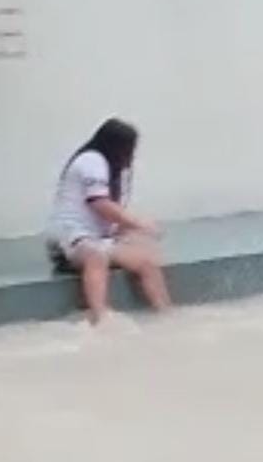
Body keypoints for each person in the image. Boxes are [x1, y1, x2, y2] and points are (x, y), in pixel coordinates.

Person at [47, 118, 171, 324]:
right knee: (96, 257)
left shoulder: (113, 170)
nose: (131, 155)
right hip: (71, 238)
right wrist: (139, 223)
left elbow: (113, 216)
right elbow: (101, 205)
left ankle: (166, 312)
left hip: (100, 237)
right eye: (129, 149)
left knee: (146, 259)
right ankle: (100, 316)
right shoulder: (91, 161)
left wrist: (132, 232)